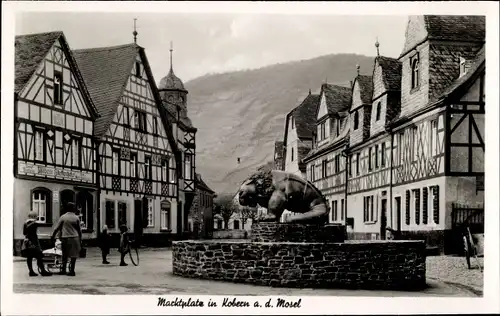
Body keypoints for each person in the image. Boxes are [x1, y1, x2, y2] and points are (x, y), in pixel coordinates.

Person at [51, 202, 82, 276]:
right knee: (73, 255)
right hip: (75, 237)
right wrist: (80, 239)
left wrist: (53, 236)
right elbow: (79, 230)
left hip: (65, 238)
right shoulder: (76, 217)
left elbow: (57, 228)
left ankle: (63, 270)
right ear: (73, 208)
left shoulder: (63, 217)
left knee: (65, 254)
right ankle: (72, 271)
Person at [21, 211, 52, 277]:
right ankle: (43, 271)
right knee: (39, 256)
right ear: (34, 216)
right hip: (33, 242)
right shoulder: (34, 223)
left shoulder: (25, 223)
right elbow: (34, 233)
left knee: (29, 257)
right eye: (36, 216)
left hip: (27, 242)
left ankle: (31, 271)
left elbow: (24, 233)